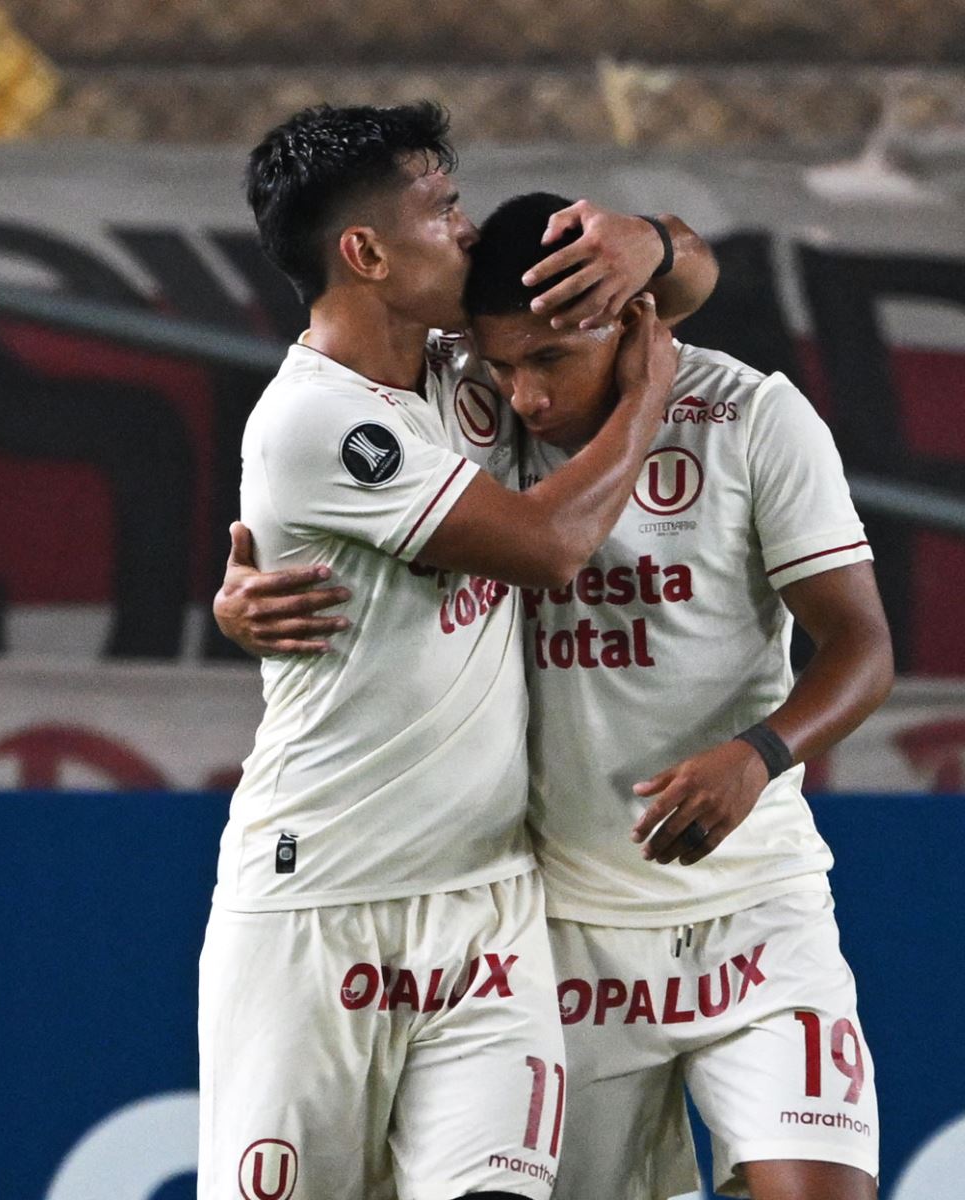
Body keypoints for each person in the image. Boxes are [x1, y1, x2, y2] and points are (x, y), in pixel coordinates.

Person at [219, 192, 895, 1200]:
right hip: (563, 931)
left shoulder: (752, 417)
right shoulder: (468, 410)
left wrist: (759, 755)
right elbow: (324, 469)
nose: (524, 395)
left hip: (756, 911)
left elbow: (864, 648)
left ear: (628, 320)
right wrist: (240, 589)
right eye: (502, 365)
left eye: (550, 361)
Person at [204, 104, 718, 1200]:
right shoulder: (313, 422)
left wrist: (653, 244)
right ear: (367, 252)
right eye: (442, 211)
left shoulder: (467, 368)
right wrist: (647, 400)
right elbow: (547, 547)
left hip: (486, 903)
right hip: (321, 905)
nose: (469, 229)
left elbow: (680, 288)